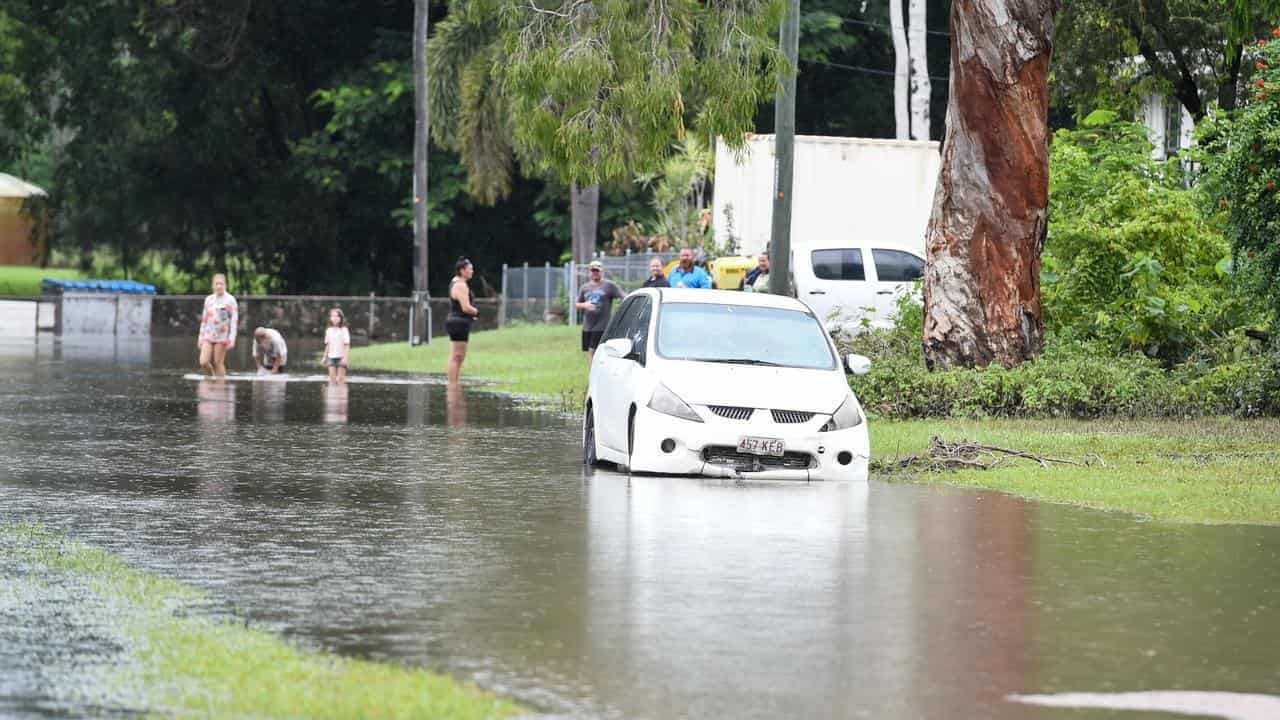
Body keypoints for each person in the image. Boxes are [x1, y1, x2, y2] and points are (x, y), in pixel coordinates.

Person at [575, 260, 625, 357]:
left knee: (600, 351)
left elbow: (623, 296)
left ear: (602, 272)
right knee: (591, 351)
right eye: (593, 271)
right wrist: (584, 305)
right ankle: (592, 371)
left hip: (603, 325)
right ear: (590, 272)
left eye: (597, 271)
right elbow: (577, 304)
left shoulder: (609, 285)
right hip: (588, 326)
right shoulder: (584, 287)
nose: (595, 273)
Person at [446, 257, 480, 384]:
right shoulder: (461, 285)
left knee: (456, 356)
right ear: (462, 270)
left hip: (457, 322)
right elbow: (466, 307)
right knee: (458, 357)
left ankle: (453, 383)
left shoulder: (455, 282)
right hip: (458, 323)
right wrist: (477, 312)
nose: (472, 271)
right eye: (470, 269)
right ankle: (453, 384)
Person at [197, 273, 237, 377]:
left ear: (225, 285)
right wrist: (200, 337)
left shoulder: (231, 300)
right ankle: (211, 379)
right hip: (209, 334)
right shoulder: (208, 299)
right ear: (213, 285)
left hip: (222, 335)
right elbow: (204, 320)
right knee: (203, 362)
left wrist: (232, 339)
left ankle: (221, 385)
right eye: (217, 284)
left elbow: (234, 321)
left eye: (221, 284)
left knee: (218, 362)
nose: (219, 286)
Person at [324, 308, 351, 383]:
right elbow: (328, 345)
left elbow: (347, 345)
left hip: (341, 357)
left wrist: (345, 358)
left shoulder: (344, 330)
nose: (334, 318)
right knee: (332, 380)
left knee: (340, 380)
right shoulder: (328, 330)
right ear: (330, 318)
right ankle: (332, 394)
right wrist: (324, 357)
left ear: (341, 318)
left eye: (337, 316)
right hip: (331, 357)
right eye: (332, 316)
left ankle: (341, 394)